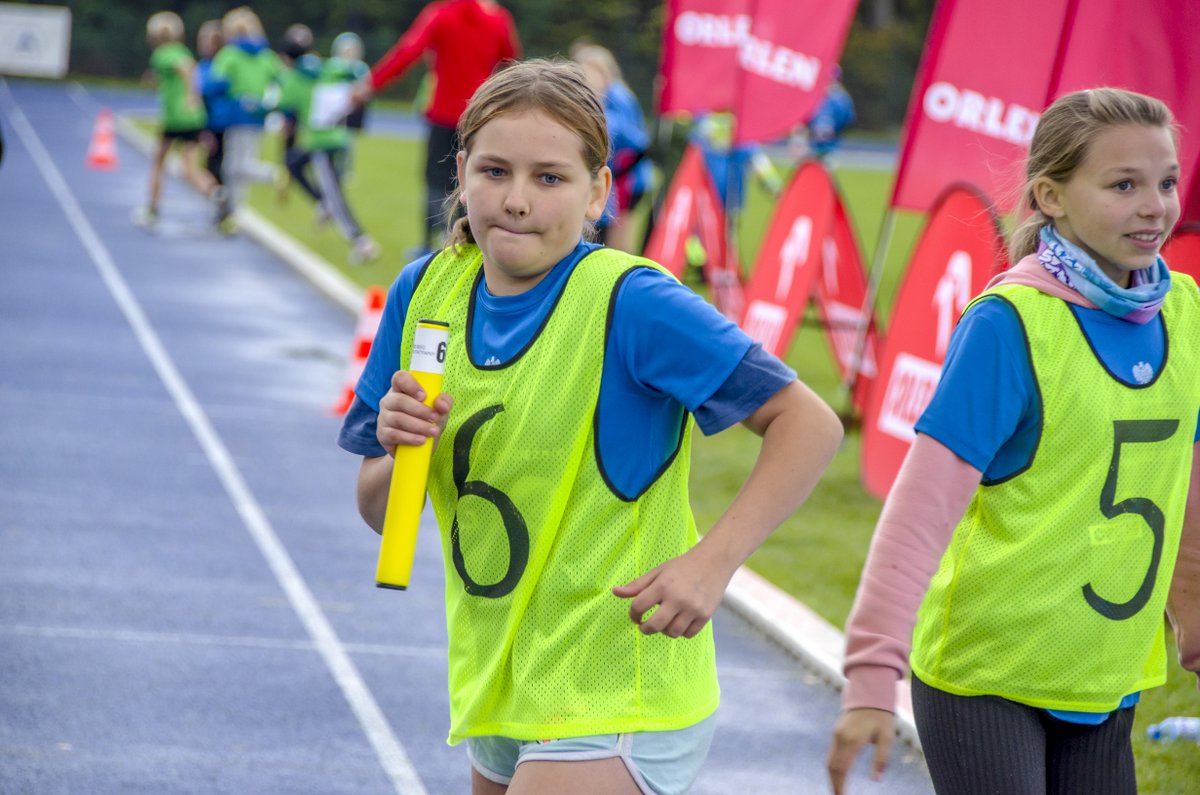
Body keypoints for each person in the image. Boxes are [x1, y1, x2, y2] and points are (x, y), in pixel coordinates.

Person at [338, 59, 843, 795]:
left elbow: (809, 422)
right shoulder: (426, 289)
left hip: (617, 674)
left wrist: (713, 563)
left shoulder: (631, 302)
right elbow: (383, 513)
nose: (515, 201)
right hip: (503, 675)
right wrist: (397, 449)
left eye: (549, 178)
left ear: (598, 191)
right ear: (462, 169)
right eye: (495, 171)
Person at [826, 87, 1200, 795]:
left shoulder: (1187, 313)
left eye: (1167, 181)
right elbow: (919, 513)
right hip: (987, 675)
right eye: (1124, 184)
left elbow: (1187, 476)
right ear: (1050, 196)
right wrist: (873, 673)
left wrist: (1196, 610)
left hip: (1104, 673)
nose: (1155, 206)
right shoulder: (1008, 325)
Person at [356, 0, 520, 257]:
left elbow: (408, 51)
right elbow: (510, 66)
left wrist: (371, 84)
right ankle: (469, 243)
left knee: (434, 178)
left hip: (444, 112)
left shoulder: (442, 14)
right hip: (478, 116)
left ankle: (429, 245)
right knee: (474, 179)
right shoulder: (498, 19)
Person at [277, 33, 380, 264]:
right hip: (336, 136)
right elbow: (354, 71)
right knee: (293, 162)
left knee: (334, 196)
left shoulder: (293, 78)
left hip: (321, 143)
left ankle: (361, 241)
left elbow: (285, 111)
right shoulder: (326, 68)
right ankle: (322, 202)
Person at [135, 11, 218, 229]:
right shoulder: (182, 50)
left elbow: (186, 69)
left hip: (175, 118)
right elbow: (184, 68)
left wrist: (191, 94)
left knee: (158, 163)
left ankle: (152, 209)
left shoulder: (162, 54)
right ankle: (216, 194)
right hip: (194, 118)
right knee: (189, 167)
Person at [573, 44, 654, 254]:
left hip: (628, 180)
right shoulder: (603, 94)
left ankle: (621, 277)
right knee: (604, 232)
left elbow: (634, 138)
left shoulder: (617, 96)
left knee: (619, 238)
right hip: (617, 178)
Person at [210, 6, 281, 215]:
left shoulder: (230, 54)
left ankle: (272, 174)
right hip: (259, 116)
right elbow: (279, 81)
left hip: (236, 114)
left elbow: (216, 82)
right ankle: (235, 211)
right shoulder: (267, 56)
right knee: (242, 163)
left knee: (234, 167)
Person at [194, 19, 235, 227]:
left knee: (213, 167)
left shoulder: (214, 67)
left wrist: (204, 129)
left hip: (215, 122)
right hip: (221, 121)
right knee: (218, 165)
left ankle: (222, 208)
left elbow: (203, 96)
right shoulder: (218, 64)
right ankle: (222, 209)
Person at [804, 67, 855, 161]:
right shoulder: (817, 96)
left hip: (832, 146)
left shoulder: (841, 99)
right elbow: (807, 117)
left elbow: (848, 119)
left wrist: (833, 130)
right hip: (813, 144)